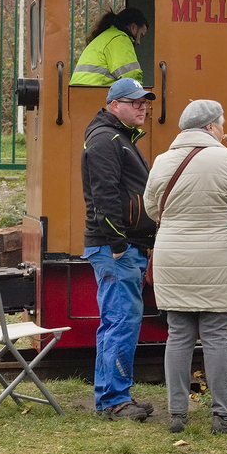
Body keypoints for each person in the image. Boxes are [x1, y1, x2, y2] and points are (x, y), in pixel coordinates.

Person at [145, 100, 227, 435]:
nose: (223, 129)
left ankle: (178, 415)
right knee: (215, 337)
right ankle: (221, 416)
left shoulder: (163, 161)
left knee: (178, 336)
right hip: (216, 261)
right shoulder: (226, 159)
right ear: (210, 127)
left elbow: (153, 209)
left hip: (173, 259)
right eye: (221, 124)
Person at [81, 77, 158, 421]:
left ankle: (113, 396)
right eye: (135, 101)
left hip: (123, 246)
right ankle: (114, 401)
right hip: (117, 248)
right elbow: (104, 196)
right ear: (114, 105)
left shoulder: (117, 138)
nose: (143, 107)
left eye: (144, 102)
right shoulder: (106, 140)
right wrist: (118, 244)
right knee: (121, 322)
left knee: (116, 322)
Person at [70, 7, 149, 86]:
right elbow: (131, 76)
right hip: (95, 93)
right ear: (133, 27)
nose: (138, 42)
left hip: (80, 92)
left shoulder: (106, 37)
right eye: (140, 35)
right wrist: (141, 93)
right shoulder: (119, 39)